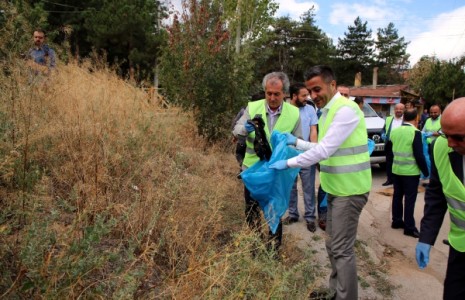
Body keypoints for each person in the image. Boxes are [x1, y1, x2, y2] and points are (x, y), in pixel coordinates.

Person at [270, 65, 371, 300]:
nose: (314, 95)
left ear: (332, 85)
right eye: (310, 91)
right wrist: (297, 142)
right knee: (332, 245)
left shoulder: (344, 110)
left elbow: (324, 150)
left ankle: (345, 297)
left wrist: (288, 163)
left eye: (317, 89)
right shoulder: (327, 111)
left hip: (350, 190)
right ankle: (336, 291)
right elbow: (321, 147)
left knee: (342, 250)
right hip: (336, 189)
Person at [232, 72, 302, 252]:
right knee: (251, 209)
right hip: (253, 171)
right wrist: (245, 129)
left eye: (276, 94)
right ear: (264, 91)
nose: (272, 97)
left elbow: (299, 142)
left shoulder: (294, 113)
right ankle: (255, 246)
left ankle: (273, 250)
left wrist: (286, 155)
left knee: (274, 212)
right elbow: (236, 130)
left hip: (276, 173)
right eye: (268, 93)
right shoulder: (253, 107)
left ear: (284, 94)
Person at [415, 97, 465, 299]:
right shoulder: (442, 147)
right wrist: (426, 238)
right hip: (460, 248)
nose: (450, 143)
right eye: (446, 134)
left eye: (458, 137)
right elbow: (436, 196)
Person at [388, 109, 429, 238]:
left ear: (404, 117)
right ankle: (409, 228)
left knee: (397, 196)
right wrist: (426, 171)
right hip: (410, 172)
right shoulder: (415, 132)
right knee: (410, 200)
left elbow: (390, 151)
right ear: (416, 119)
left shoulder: (394, 132)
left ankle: (396, 221)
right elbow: (419, 154)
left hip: (396, 170)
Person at [284, 83, 318, 232]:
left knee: (308, 187)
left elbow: (313, 130)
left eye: (307, 95)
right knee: (290, 187)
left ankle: (310, 217)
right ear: (294, 96)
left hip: (306, 154)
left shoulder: (310, 109)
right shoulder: (284, 110)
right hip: (289, 155)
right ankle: (293, 214)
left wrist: (314, 150)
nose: (307, 98)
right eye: (303, 95)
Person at [382, 103, 405, 186]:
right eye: (397, 109)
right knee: (389, 162)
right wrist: (383, 135)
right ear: (394, 110)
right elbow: (384, 130)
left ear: (404, 110)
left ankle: (398, 180)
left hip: (401, 144)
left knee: (399, 162)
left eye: (401, 109)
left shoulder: (406, 120)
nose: (398, 110)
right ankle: (389, 179)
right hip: (390, 143)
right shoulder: (388, 119)